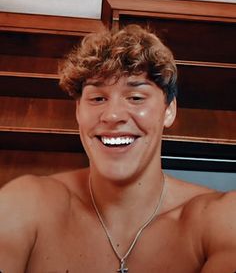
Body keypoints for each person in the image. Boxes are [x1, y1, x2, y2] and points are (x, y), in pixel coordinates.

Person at [0, 24, 235, 273]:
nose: (112, 115)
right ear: (78, 111)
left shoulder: (221, 217)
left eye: (135, 97)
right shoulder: (26, 202)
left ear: (169, 110)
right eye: (98, 98)